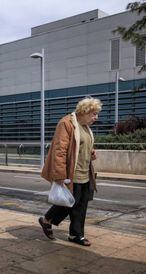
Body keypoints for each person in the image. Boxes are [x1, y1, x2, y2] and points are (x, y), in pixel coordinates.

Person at [38, 97, 102, 246]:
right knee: (68, 203)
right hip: (71, 173)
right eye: (94, 114)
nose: (96, 118)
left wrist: (91, 152)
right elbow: (59, 151)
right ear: (84, 111)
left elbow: (81, 145)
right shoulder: (66, 123)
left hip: (85, 172)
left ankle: (75, 235)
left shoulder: (85, 126)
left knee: (81, 205)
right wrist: (60, 175)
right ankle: (47, 219)